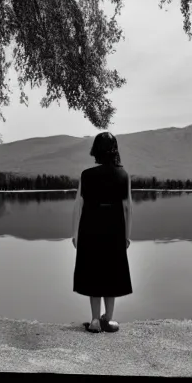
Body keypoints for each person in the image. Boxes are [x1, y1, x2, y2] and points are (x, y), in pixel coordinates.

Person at [72, 131, 133, 332]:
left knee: (93, 270)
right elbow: (128, 208)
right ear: (115, 150)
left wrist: (75, 234)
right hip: (115, 227)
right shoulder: (123, 175)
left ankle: (95, 321)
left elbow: (78, 205)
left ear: (95, 151)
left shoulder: (86, 175)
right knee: (112, 270)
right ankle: (109, 318)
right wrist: (127, 235)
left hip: (90, 225)